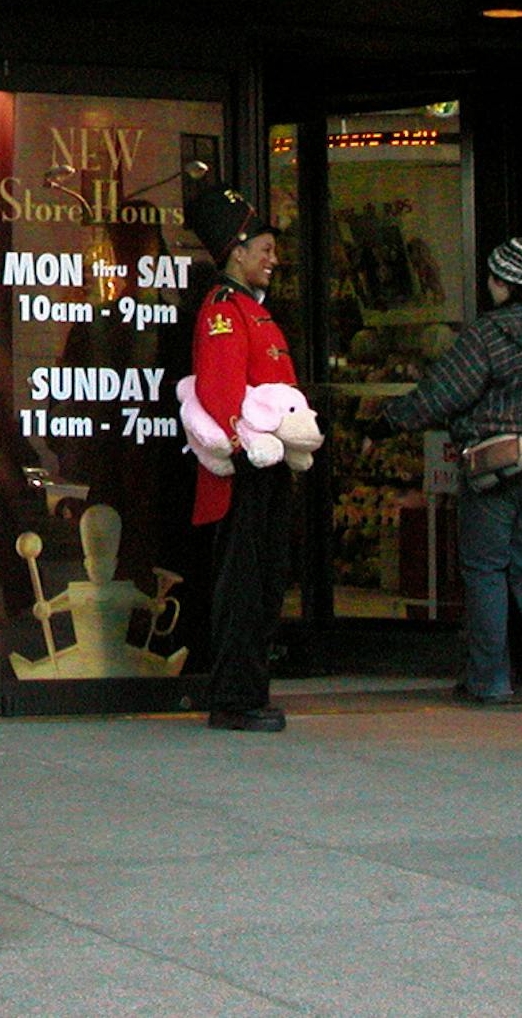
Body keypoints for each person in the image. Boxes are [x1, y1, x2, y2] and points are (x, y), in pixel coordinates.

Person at [381, 237, 522, 706]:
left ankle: (489, 680)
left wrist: (391, 420)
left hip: (502, 467)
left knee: (485, 568)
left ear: (500, 282)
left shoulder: (489, 333)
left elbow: (444, 392)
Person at [186, 186, 299, 732]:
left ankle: (251, 690)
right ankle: (234, 697)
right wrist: (247, 445)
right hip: (246, 470)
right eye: (265, 249)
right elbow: (221, 393)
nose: (273, 259)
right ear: (237, 251)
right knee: (244, 587)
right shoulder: (224, 312)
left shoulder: (251, 310)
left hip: (269, 466)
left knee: (266, 582)